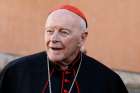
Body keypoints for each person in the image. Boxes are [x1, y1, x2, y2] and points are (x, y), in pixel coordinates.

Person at [0, 5, 128, 93]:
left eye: (63, 32)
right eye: (49, 31)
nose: (53, 38)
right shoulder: (15, 72)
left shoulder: (108, 81)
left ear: (82, 38)